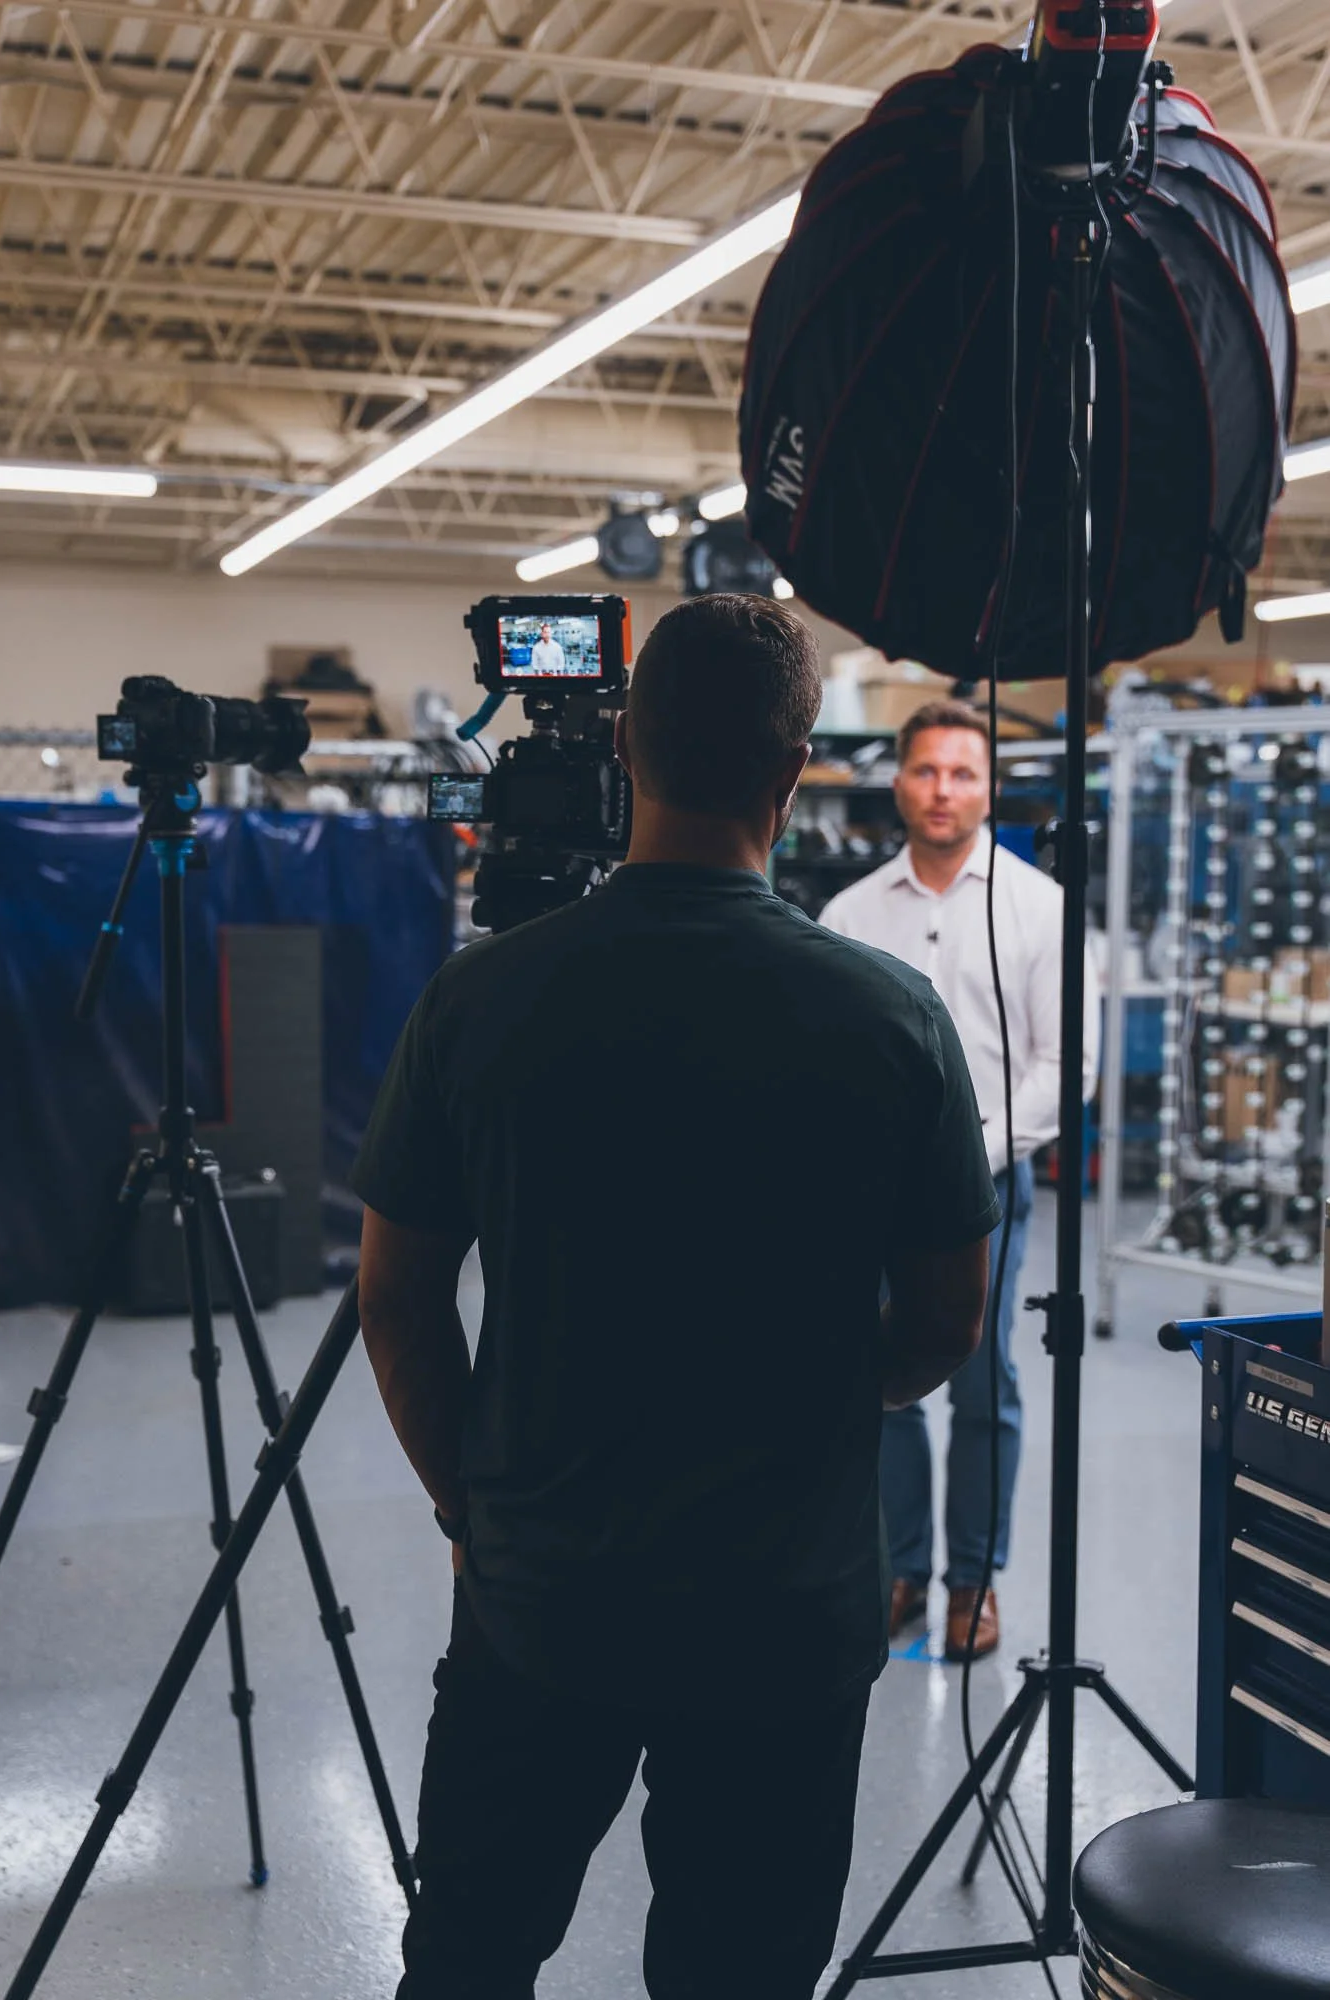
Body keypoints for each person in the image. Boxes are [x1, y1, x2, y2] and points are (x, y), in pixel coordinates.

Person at [353, 598, 999, 2000]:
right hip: (783, 1615)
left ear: (625, 753)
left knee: (467, 1959)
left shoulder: (478, 999)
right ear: (792, 775)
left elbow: (394, 1298)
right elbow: (949, 1320)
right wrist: (838, 1391)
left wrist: (473, 1508)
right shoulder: (892, 1017)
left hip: (539, 1597)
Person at [820, 698, 1100, 1664]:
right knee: (881, 1378)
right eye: (926, 770)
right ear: (898, 782)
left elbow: (1064, 1064)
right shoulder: (849, 915)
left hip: (989, 1184)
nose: (943, 790)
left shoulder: (1039, 908)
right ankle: (900, 1570)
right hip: (870, 1192)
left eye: (963, 773)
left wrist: (971, 1150)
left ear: (990, 788)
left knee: (984, 1381)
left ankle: (973, 1581)